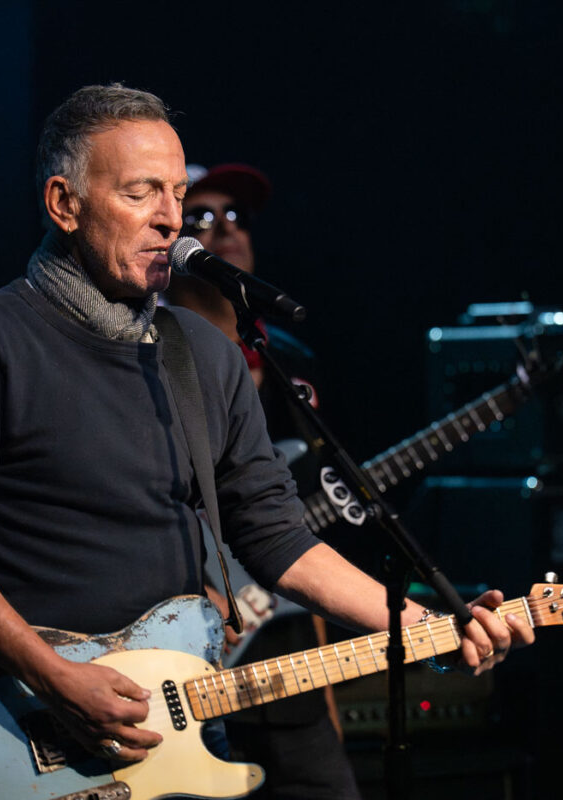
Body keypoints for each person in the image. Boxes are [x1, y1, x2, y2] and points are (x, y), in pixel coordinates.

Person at [0, 83, 530, 785]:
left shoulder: (202, 354)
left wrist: (428, 622)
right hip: (27, 727)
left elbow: (279, 539)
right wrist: (55, 680)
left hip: (170, 734)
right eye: (141, 193)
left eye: (174, 192)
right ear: (64, 205)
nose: (172, 220)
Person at [167, 162, 358, 798]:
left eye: (235, 217)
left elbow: (291, 522)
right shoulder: (141, 353)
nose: (223, 232)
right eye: (201, 218)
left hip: (284, 653)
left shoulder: (288, 362)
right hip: (177, 656)